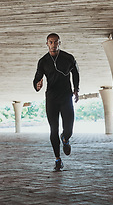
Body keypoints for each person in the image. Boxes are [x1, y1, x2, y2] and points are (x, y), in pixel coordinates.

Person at [33, 33, 80, 171]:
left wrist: (76, 89)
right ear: (47, 43)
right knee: (53, 129)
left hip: (66, 97)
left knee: (69, 128)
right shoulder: (43, 61)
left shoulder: (68, 58)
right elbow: (36, 78)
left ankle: (65, 139)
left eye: (56, 42)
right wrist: (37, 85)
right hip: (52, 98)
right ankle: (57, 160)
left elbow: (76, 73)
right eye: (51, 42)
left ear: (59, 43)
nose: (53, 45)